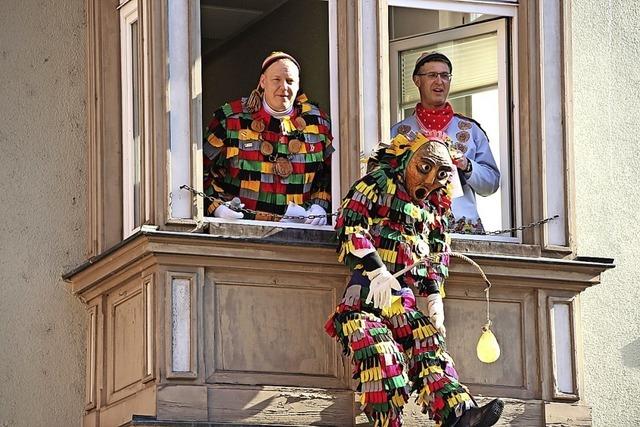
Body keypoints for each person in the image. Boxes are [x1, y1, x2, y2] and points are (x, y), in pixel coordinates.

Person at [325, 130, 503, 426]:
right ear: (407, 160)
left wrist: (434, 296)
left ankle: (460, 415)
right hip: (363, 303)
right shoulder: (377, 184)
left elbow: (436, 251)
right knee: (383, 359)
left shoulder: (435, 209)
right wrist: (376, 269)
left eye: (442, 173)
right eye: (425, 167)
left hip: (403, 304)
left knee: (430, 345)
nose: (432, 180)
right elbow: (351, 225)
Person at [203, 51, 333, 224]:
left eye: (290, 81)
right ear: (263, 82)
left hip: (301, 235)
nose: (284, 87)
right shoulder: (230, 119)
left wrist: (320, 205)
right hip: (240, 233)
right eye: (276, 80)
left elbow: (328, 176)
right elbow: (201, 170)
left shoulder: (319, 123)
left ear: (298, 84)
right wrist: (217, 207)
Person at [390, 52, 500, 233]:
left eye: (445, 75)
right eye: (432, 75)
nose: (439, 81)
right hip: (412, 230)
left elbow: (491, 184)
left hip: (462, 228)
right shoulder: (399, 133)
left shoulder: (470, 130)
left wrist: (467, 165)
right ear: (417, 81)